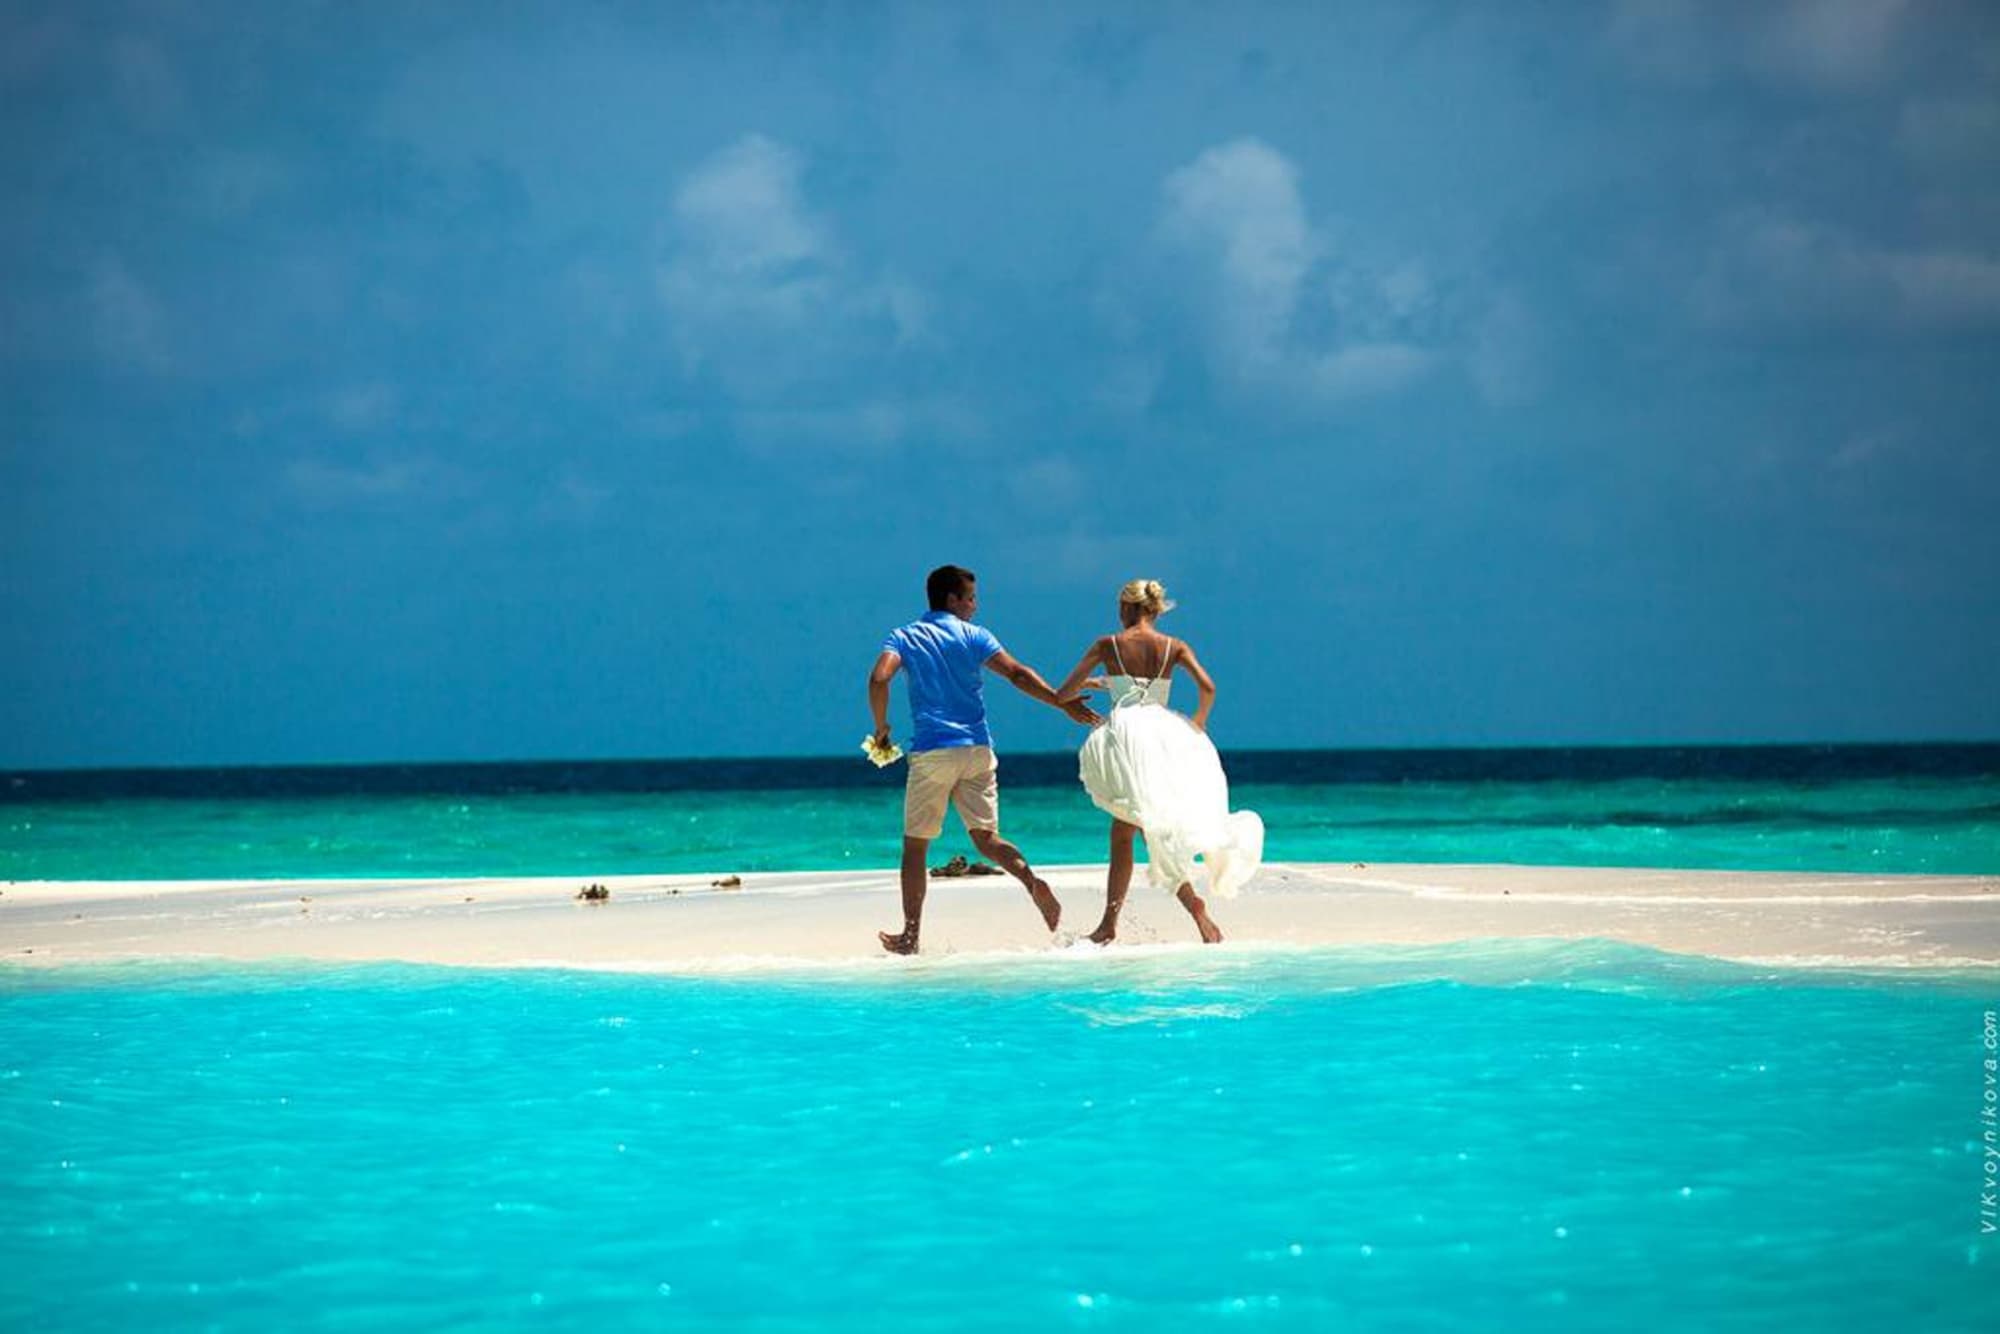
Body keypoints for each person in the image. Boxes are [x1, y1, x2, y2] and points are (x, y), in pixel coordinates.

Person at [869, 564, 1101, 955]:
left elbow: (879, 678)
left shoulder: (905, 636)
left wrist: (881, 728)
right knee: (987, 839)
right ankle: (1032, 883)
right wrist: (1060, 702)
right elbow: (1018, 674)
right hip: (977, 749)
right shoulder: (976, 636)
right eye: (971, 598)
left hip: (933, 751)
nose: (975, 606)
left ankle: (910, 935)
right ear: (952, 599)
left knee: (916, 847)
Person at [1053, 579, 1263, 944]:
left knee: (1133, 829)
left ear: (1128, 607)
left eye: (1120, 607)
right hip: (1167, 736)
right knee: (1140, 827)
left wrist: (1085, 692)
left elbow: (1063, 693)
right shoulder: (1173, 646)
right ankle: (1116, 922)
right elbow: (1208, 687)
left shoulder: (1108, 644)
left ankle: (1155, 915)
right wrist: (1199, 722)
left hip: (1128, 738)